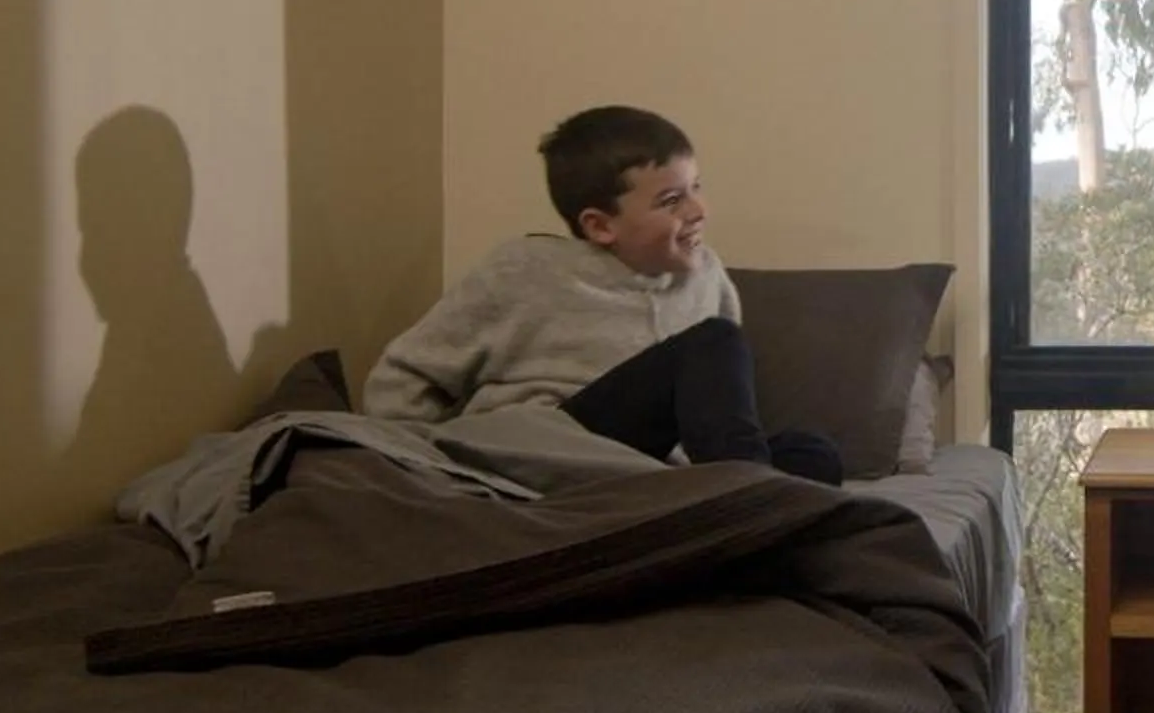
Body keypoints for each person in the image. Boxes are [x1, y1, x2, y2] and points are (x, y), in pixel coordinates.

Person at [360, 105, 843, 486]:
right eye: (671, 200)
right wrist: (422, 466)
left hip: (645, 470)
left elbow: (720, 412)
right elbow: (404, 375)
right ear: (600, 224)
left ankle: (734, 502)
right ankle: (748, 502)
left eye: (696, 187)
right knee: (714, 342)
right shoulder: (523, 271)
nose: (698, 210)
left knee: (812, 451)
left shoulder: (708, 276)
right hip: (551, 451)